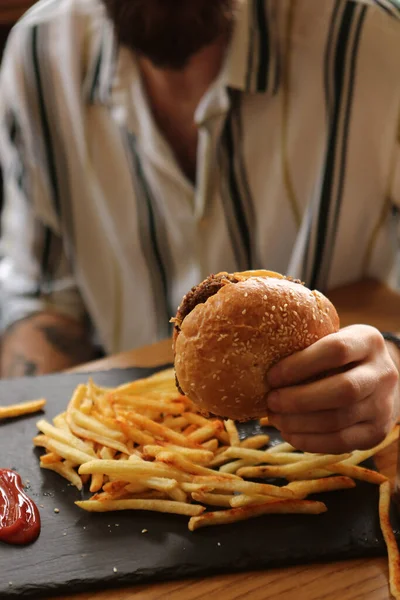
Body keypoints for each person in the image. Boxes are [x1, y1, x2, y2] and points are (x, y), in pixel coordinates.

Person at [0, 0, 399, 453]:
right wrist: (26, 444)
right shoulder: (40, 55)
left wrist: (392, 370)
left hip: (332, 455)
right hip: (138, 452)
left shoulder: (378, 43)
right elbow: (43, 294)